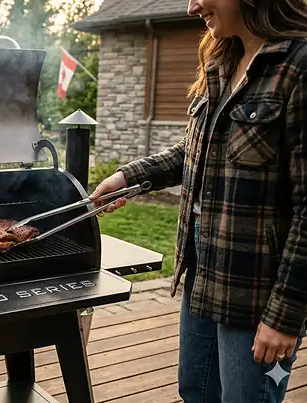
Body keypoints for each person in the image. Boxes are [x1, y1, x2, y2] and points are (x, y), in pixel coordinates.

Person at [89, 0, 307, 401]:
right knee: (196, 393)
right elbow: (196, 150)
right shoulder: (226, 57)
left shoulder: (298, 67)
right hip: (203, 272)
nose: (192, 7)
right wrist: (128, 176)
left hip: (255, 292)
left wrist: (285, 316)